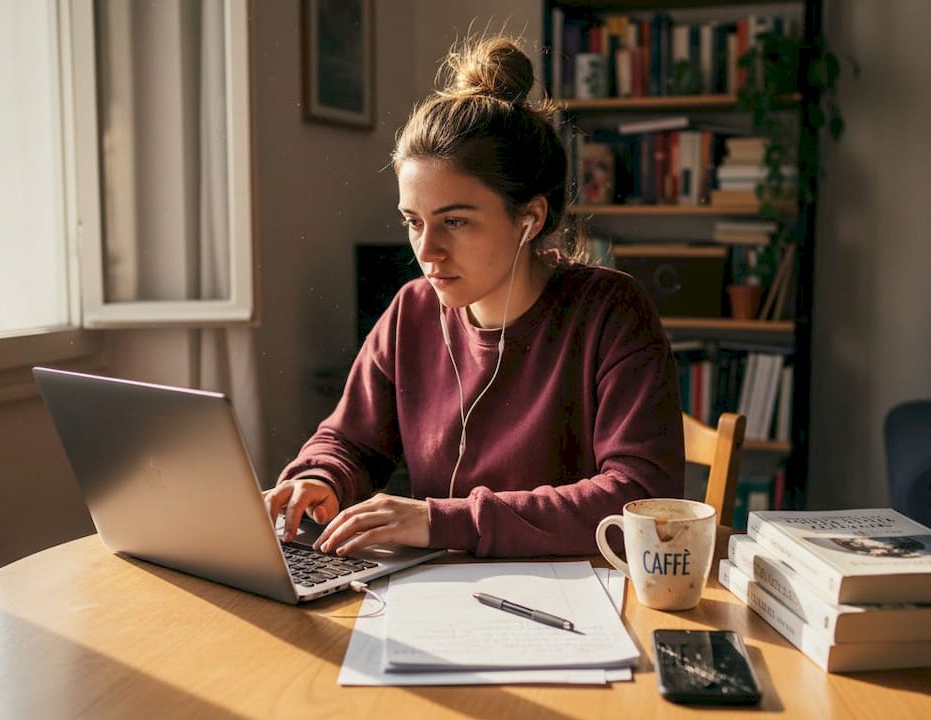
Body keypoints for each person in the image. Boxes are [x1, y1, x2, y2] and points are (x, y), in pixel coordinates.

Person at [263, 36, 685, 557]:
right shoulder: (412, 311)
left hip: (574, 602)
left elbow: (642, 498)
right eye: (413, 222)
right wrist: (320, 479)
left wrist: (444, 522)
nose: (427, 249)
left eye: (455, 222)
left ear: (529, 218)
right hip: (435, 594)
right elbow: (350, 441)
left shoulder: (610, 312)